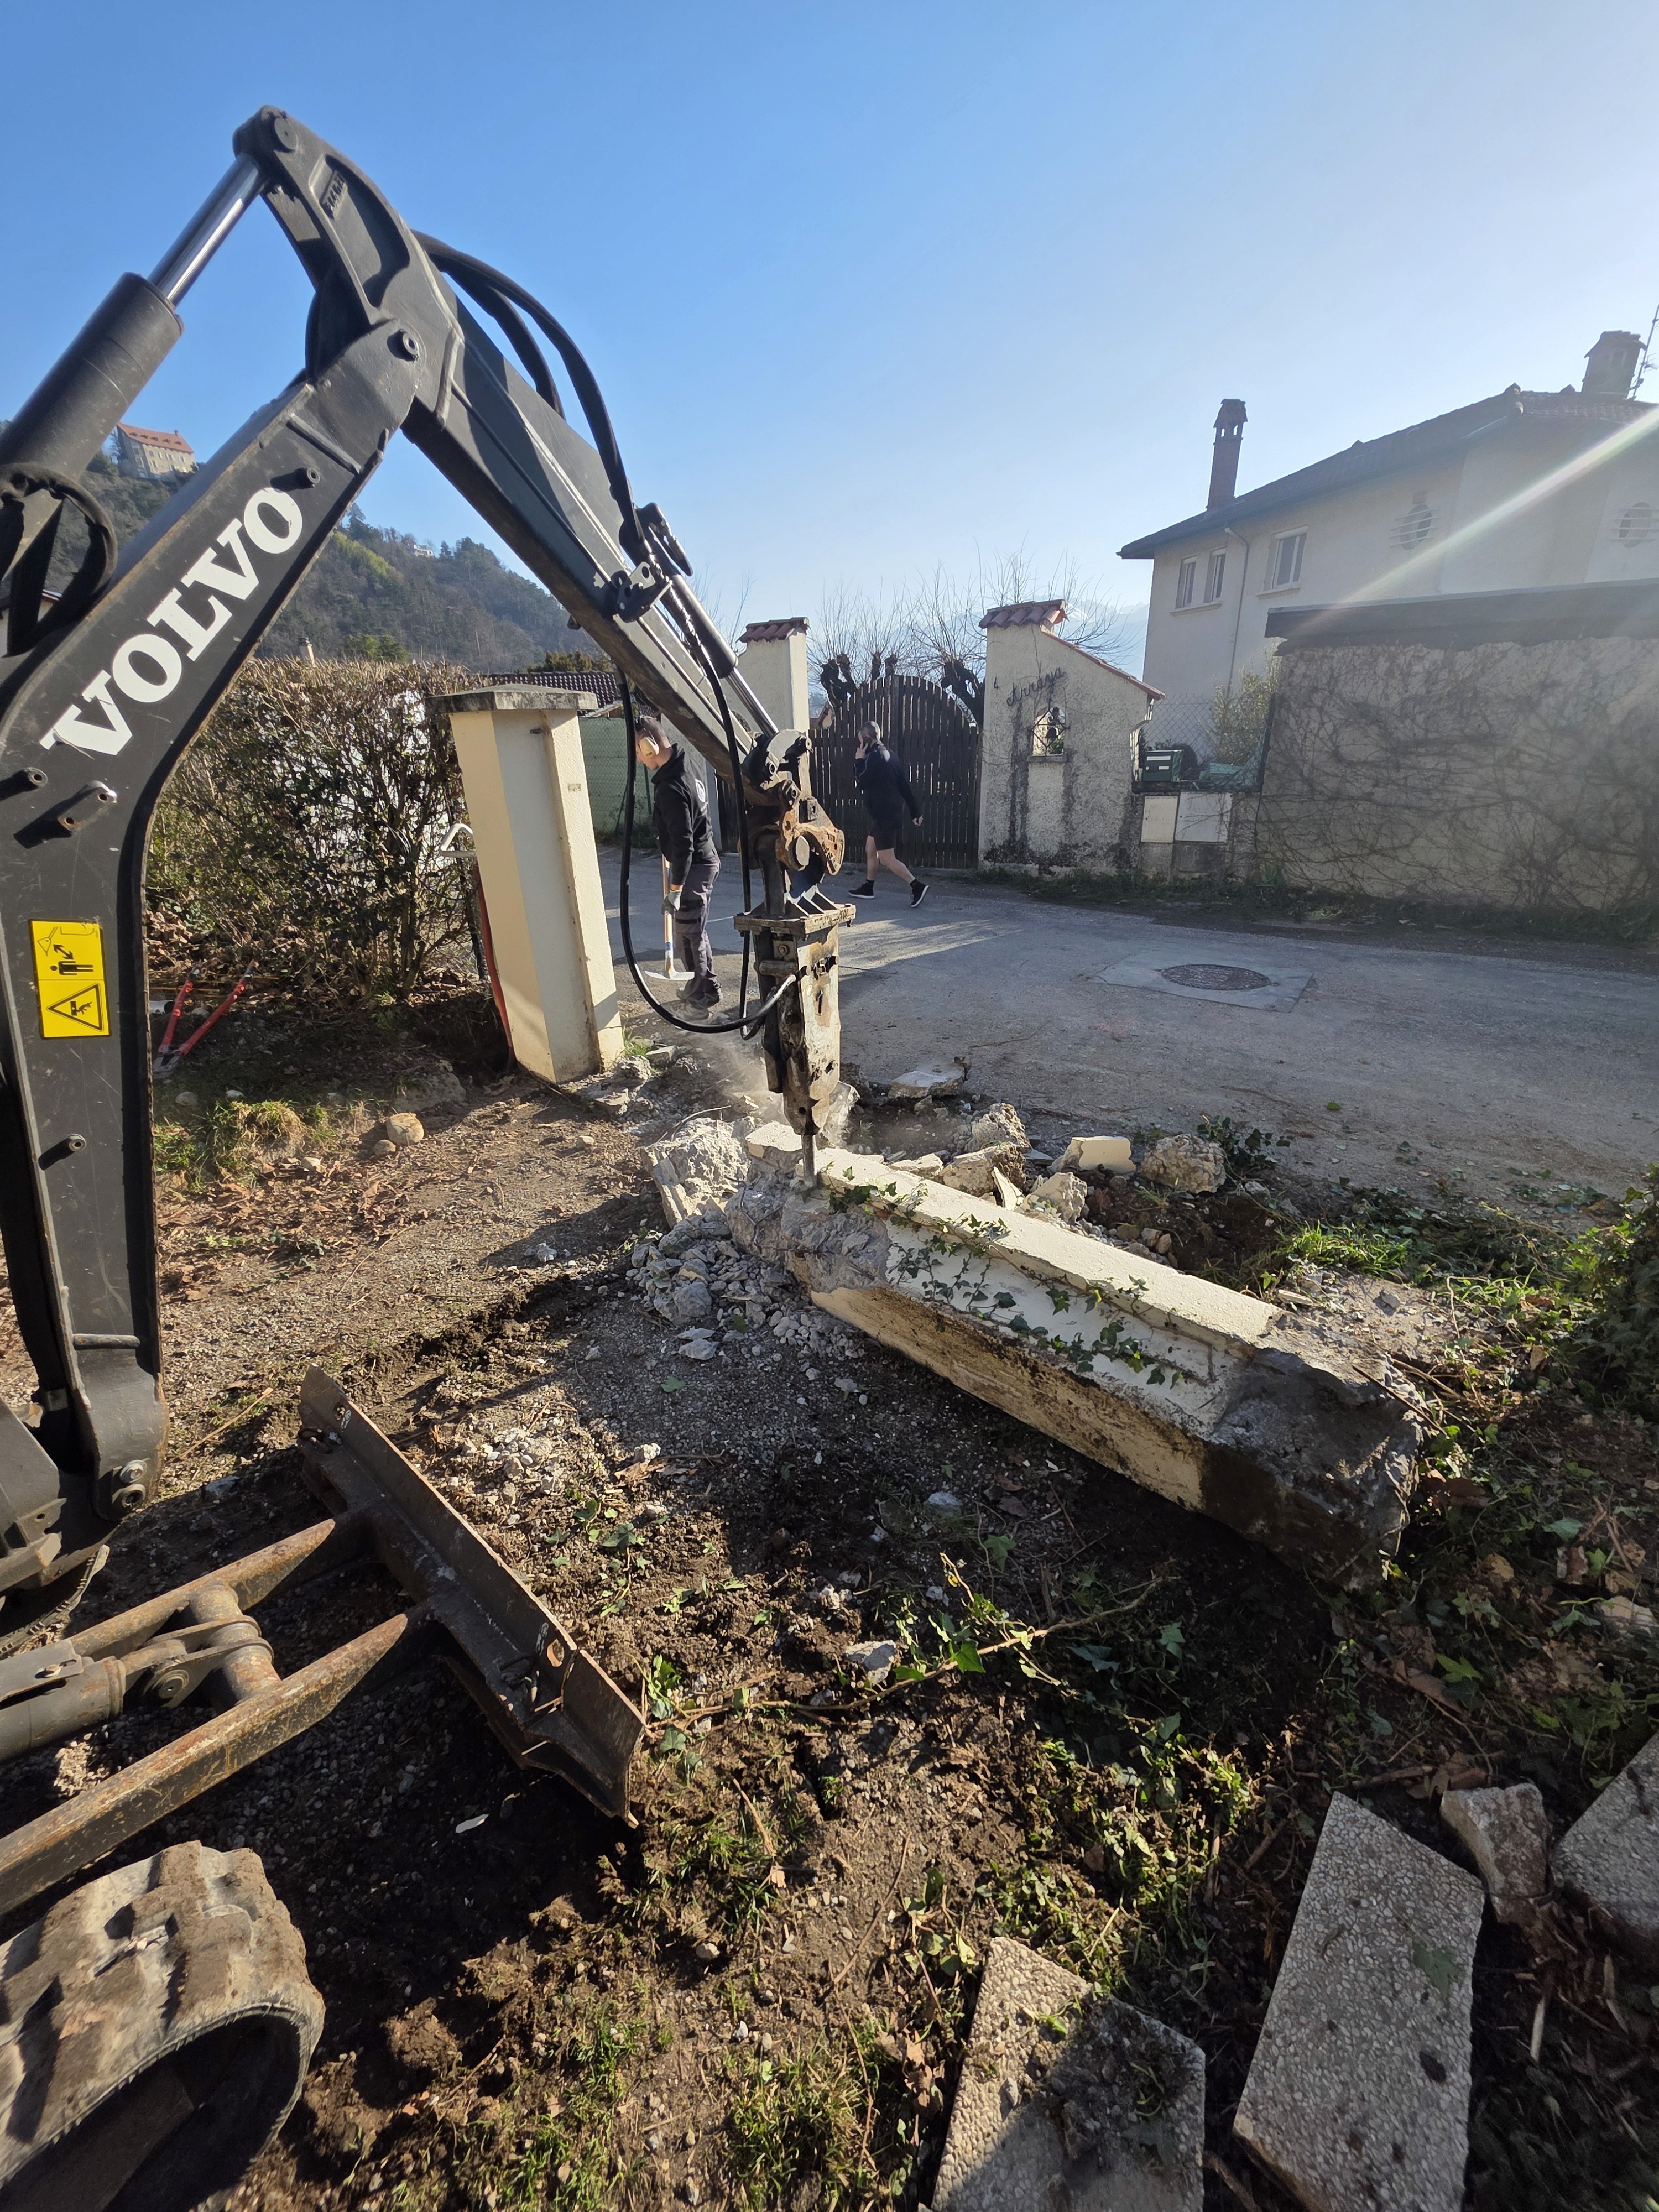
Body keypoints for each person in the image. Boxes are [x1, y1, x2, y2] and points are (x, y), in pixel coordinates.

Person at [634, 715, 721, 1010]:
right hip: (703, 859)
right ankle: (704, 987)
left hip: (694, 865)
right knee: (695, 931)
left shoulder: (671, 787)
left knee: (688, 933)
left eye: (637, 751)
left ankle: (701, 1000)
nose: (637, 758)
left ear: (649, 746)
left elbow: (684, 845)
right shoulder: (687, 766)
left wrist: (675, 890)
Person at [851, 721, 927, 905]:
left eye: (860, 741)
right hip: (885, 814)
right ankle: (868, 887)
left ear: (867, 739)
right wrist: (915, 812)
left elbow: (861, 781)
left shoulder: (875, 757)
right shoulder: (890, 755)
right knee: (871, 847)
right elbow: (904, 786)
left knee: (887, 859)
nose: (859, 745)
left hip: (885, 816)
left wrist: (859, 760)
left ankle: (917, 886)